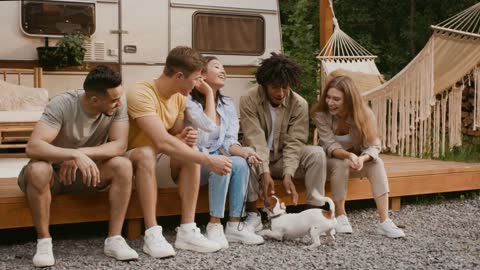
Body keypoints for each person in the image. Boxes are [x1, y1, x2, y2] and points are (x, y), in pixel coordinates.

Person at [19, 66, 137, 267]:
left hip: (86, 173)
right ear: (94, 100)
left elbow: (120, 145)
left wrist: (81, 154)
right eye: (114, 100)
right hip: (52, 175)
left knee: (123, 165)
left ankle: (114, 239)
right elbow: (33, 146)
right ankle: (44, 242)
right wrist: (71, 154)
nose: (119, 103)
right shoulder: (62, 104)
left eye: (120, 98)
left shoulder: (118, 102)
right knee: (38, 169)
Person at [126, 46, 232, 257]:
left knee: (188, 149)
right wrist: (209, 161)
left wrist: (185, 136)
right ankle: (152, 233)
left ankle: (187, 230)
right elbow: (162, 141)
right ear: (179, 76)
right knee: (148, 153)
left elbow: (174, 134)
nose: (197, 85)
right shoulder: (141, 92)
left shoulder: (179, 97)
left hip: (159, 155)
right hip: (132, 157)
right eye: (195, 79)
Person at [240, 52, 327, 231]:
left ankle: (314, 212)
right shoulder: (249, 99)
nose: (281, 93)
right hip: (258, 158)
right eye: (275, 87)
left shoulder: (299, 104)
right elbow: (255, 139)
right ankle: (252, 214)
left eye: (285, 87)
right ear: (264, 84)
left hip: (281, 160)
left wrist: (288, 173)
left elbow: (296, 142)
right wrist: (264, 172)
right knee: (245, 158)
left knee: (317, 154)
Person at [311, 75, 405, 238]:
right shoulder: (321, 114)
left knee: (377, 163)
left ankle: (385, 221)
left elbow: (374, 145)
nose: (329, 102)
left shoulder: (365, 115)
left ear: (348, 100)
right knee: (342, 163)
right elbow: (329, 145)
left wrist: (362, 159)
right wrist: (349, 156)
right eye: (328, 97)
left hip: (354, 162)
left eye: (336, 99)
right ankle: (340, 216)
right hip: (329, 163)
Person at [185, 56, 264, 248]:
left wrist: (245, 152)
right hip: (194, 162)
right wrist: (209, 96)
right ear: (202, 74)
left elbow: (229, 142)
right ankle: (214, 225)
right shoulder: (189, 101)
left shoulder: (227, 104)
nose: (224, 71)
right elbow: (206, 133)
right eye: (217, 67)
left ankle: (234, 225)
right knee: (223, 161)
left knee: (239, 161)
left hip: (217, 159)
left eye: (223, 67)